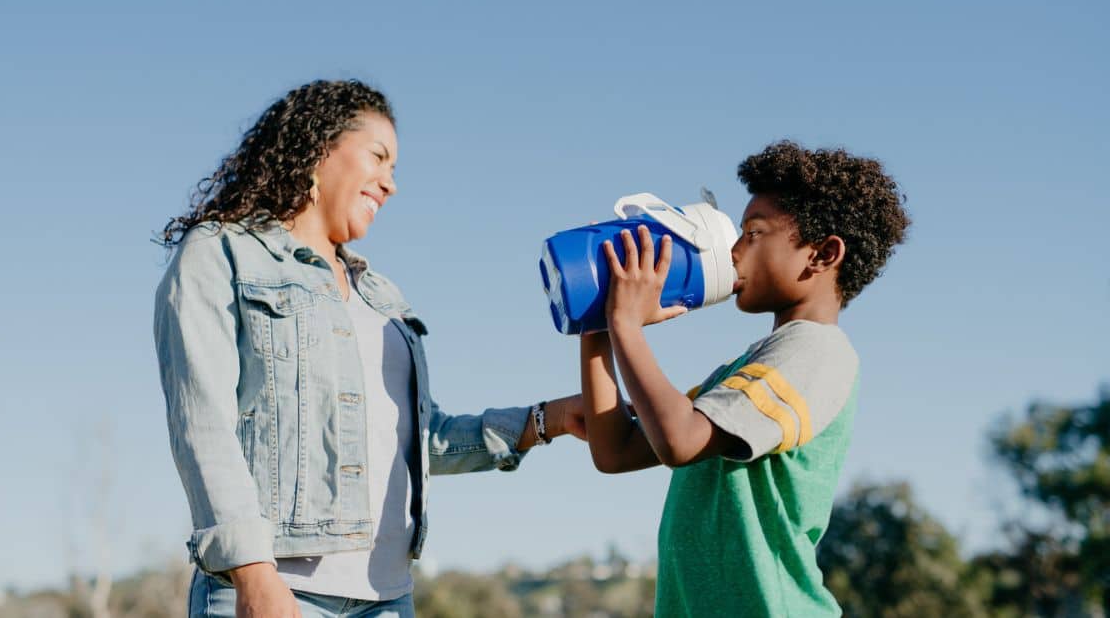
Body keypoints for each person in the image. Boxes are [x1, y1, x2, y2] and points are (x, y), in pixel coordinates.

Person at [153, 79, 584, 618]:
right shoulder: (220, 254)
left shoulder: (381, 297)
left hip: (387, 598)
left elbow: (415, 441)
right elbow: (203, 427)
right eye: (378, 157)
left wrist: (547, 420)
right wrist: (255, 576)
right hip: (279, 590)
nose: (391, 184)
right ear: (318, 150)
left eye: (395, 169)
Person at [579, 140, 910, 616]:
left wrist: (627, 324)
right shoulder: (744, 372)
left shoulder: (818, 350)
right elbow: (615, 450)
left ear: (822, 254)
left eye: (753, 233)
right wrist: (600, 326)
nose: (732, 251)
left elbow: (679, 439)